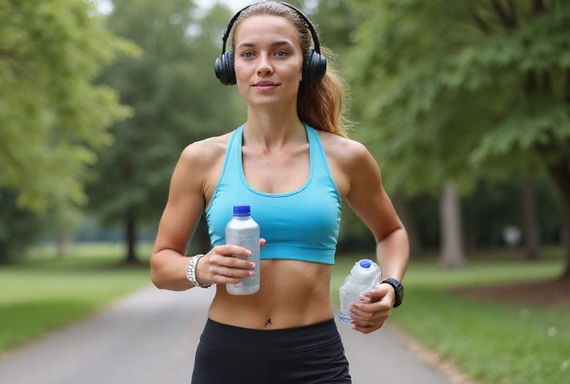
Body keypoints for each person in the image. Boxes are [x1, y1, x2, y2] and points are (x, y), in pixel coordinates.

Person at [150, 2, 409, 383]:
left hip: (315, 360)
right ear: (230, 67)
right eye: (249, 53)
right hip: (226, 359)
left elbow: (391, 233)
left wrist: (391, 286)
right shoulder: (201, 159)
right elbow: (160, 265)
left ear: (308, 65)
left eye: (281, 52)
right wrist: (200, 267)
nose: (264, 66)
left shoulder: (346, 157)